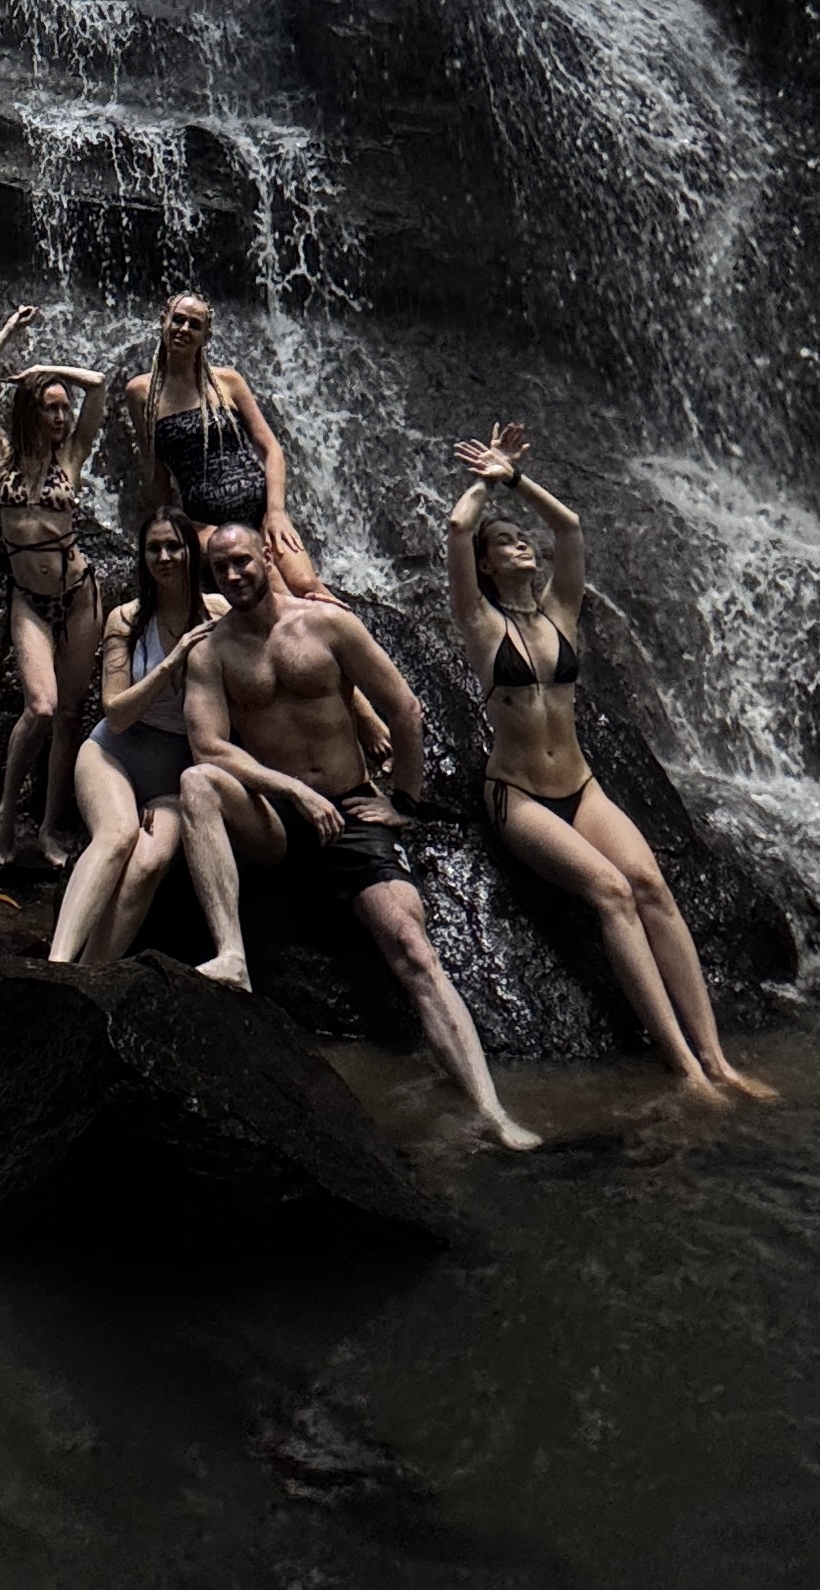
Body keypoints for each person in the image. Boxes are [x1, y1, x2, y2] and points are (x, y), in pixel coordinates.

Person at [176, 521, 541, 1152]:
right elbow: (208, 745)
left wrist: (403, 800)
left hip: (349, 813)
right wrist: (291, 790)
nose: (233, 576)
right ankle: (231, 956)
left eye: (241, 561)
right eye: (220, 569)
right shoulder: (211, 653)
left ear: (267, 554)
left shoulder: (328, 625)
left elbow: (404, 707)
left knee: (412, 947)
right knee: (197, 783)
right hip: (277, 816)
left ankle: (491, 1112)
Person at [446, 424, 777, 1103]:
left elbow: (567, 529)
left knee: (652, 885)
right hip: (520, 797)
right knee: (612, 891)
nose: (523, 544)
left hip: (582, 786)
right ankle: (684, 1070)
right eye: (507, 542)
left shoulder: (560, 613)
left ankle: (719, 1061)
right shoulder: (481, 623)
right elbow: (456, 528)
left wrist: (517, 478)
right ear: (486, 566)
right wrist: (486, 480)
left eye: (522, 540)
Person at [0, 304, 116, 869]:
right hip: (27, 599)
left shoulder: (72, 455)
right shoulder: (1, 455)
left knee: (72, 715)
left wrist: (52, 368)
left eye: (64, 408)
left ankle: (51, 828)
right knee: (42, 708)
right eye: (51, 407)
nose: (61, 416)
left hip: (79, 595)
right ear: (31, 410)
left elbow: (99, 385)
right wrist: (10, 333)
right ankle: (7, 812)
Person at [48, 510, 217, 967]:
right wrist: (171, 661)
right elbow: (116, 713)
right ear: (142, 558)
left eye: (174, 547)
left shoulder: (220, 613)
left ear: (191, 552)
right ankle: (56, 965)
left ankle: (90, 977)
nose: (164, 557)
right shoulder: (127, 619)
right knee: (118, 834)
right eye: (153, 548)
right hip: (113, 754)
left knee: (147, 864)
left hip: (176, 773)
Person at [124, 291, 326, 597]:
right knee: (273, 586)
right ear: (163, 321)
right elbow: (155, 467)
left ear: (206, 335)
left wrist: (276, 512)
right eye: (178, 320)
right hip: (204, 524)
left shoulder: (228, 382)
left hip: (260, 514)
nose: (183, 329)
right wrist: (166, 523)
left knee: (308, 586)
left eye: (194, 325)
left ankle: (352, 641)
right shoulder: (141, 392)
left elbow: (270, 449)